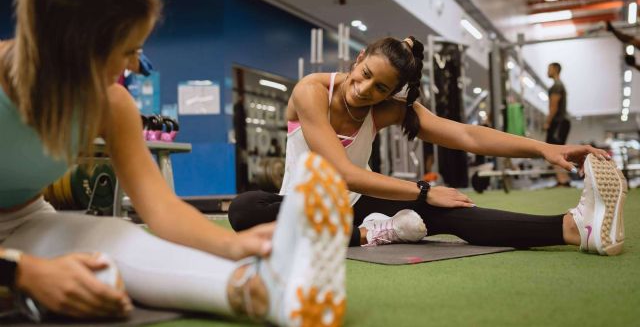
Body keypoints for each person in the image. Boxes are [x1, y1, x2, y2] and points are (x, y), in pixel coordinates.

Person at [0, 0, 351, 326]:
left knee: (117, 237)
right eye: (129, 51)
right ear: (78, 49)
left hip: (24, 222)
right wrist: (24, 273)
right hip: (15, 253)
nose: (135, 66)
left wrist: (233, 247)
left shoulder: (111, 103)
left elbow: (160, 208)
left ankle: (260, 291)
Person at [229, 36, 627, 256]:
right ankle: (371, 235)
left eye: (380, 88)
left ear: (392, 94)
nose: (365, 90)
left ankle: (574, 229)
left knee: (451, 212)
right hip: (300, 208)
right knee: (245, 209)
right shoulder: (311, 91)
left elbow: (468, 135)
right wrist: (423, 190)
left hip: (351, 204)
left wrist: (544, 149)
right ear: (359, 57)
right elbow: (343, 171)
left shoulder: (383, 110)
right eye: (364, 75)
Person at [544, 62, 572, 187]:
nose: (547, 71)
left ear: (555, 69)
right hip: (562, 122)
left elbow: (553, 106)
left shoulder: (556, 86)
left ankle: (562, 180)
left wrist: (547, 122)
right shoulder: (559, 85)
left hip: (558, 122)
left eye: (549, 69)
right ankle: (564, 180)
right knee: (557, 151)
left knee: (552, 152)